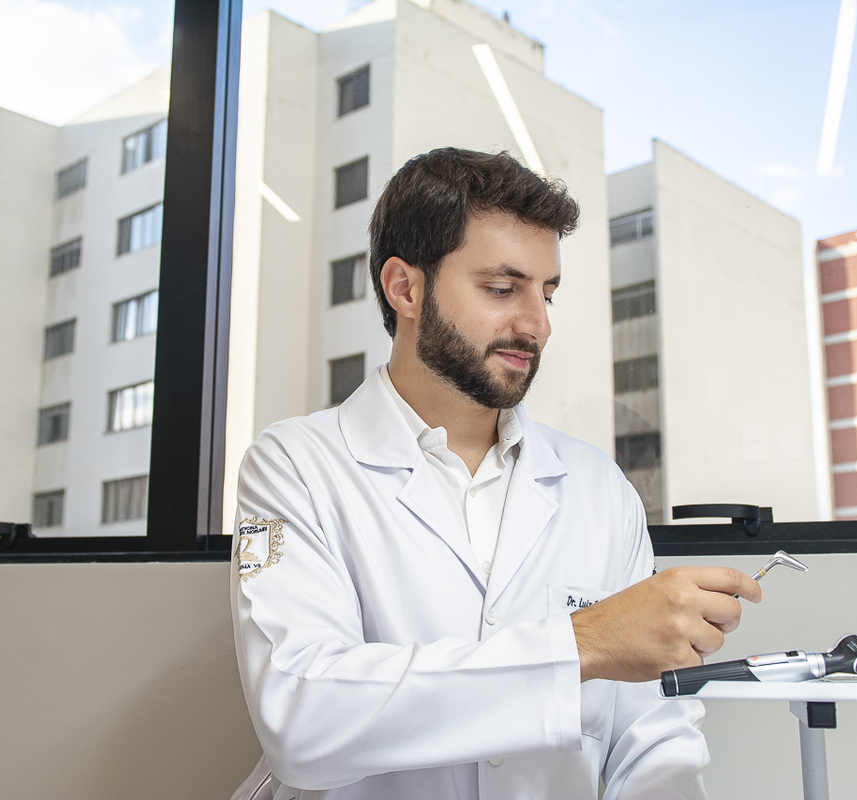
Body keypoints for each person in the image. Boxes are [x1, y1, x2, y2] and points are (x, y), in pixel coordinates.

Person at [229, 147, 762, 800]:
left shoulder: (598, 489)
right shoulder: (293, 467)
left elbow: (653, 736)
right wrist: (585, 644)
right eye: (503, 289)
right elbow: (302, 720)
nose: (537, 325)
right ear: (405, 288)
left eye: (547, 293)